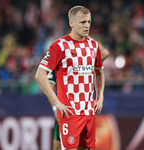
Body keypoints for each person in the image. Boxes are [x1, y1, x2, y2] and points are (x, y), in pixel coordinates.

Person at [35, 5, 105, 150]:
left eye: (89, 22)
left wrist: (100, 97)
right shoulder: (59, 46)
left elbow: (99, 71)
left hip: (89, 111)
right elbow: (40, 75)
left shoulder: (93, 46)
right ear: (71, 23)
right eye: (82, 22)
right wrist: (56, 103)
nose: (87, 26)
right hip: (70, 112)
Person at [48, 42, 109, 150]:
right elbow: (50, 86)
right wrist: (55, 107)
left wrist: (85, 36)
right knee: (59, 147)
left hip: (84, 109)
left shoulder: (87, 56)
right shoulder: (61, 57)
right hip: (67, 109)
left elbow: (104, 53)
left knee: (83, 147)